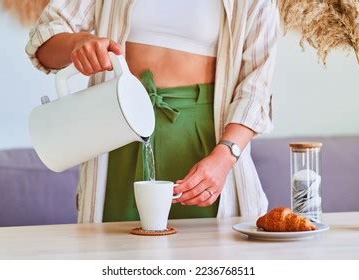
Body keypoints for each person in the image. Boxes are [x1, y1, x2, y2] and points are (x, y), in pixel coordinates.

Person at [26, 0, 280, 223]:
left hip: (207, 144)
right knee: (114, 258)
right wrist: (77, 43)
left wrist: (225, 157)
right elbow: (43, 40)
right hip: (117, 131)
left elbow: (255, 88)